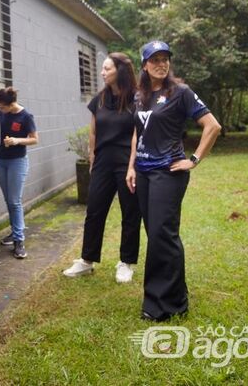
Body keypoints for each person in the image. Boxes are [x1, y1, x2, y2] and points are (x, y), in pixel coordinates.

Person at [125, 40, 221, 321]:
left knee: (162, 235)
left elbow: (212, 126)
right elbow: (138, 132)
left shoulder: (181, 92)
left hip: (168, 172)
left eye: (165, 58)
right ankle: (169, 297)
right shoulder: (140, 95)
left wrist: (194, 159)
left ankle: (165, 305)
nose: (161, 64)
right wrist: (131, 167)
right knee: (156, 235)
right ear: (144, 65)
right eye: (155, 59)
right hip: (143, 173)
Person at [63, 53, 141, 282]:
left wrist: (133, 165)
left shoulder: (137, 99)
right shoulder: (99, 99)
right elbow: (94, 131)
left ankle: (126, 262)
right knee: (94, 210)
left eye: (107, 68)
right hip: (103, 162)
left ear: (120, 70)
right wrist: (92, 158)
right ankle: (87, 260)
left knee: (130, 213)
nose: (102, 72)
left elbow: (138, 133)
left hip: (127, 162)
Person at [0, 87, 38, 259]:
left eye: (2, 107)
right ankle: (14, 233)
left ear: (11, 104)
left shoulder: (26, 117)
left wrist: (16, 140)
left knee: (14, 201)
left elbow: (35, 139)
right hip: (2, 161)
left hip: (17, 162)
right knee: (9, 200)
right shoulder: (2, 112)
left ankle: (19, 241)